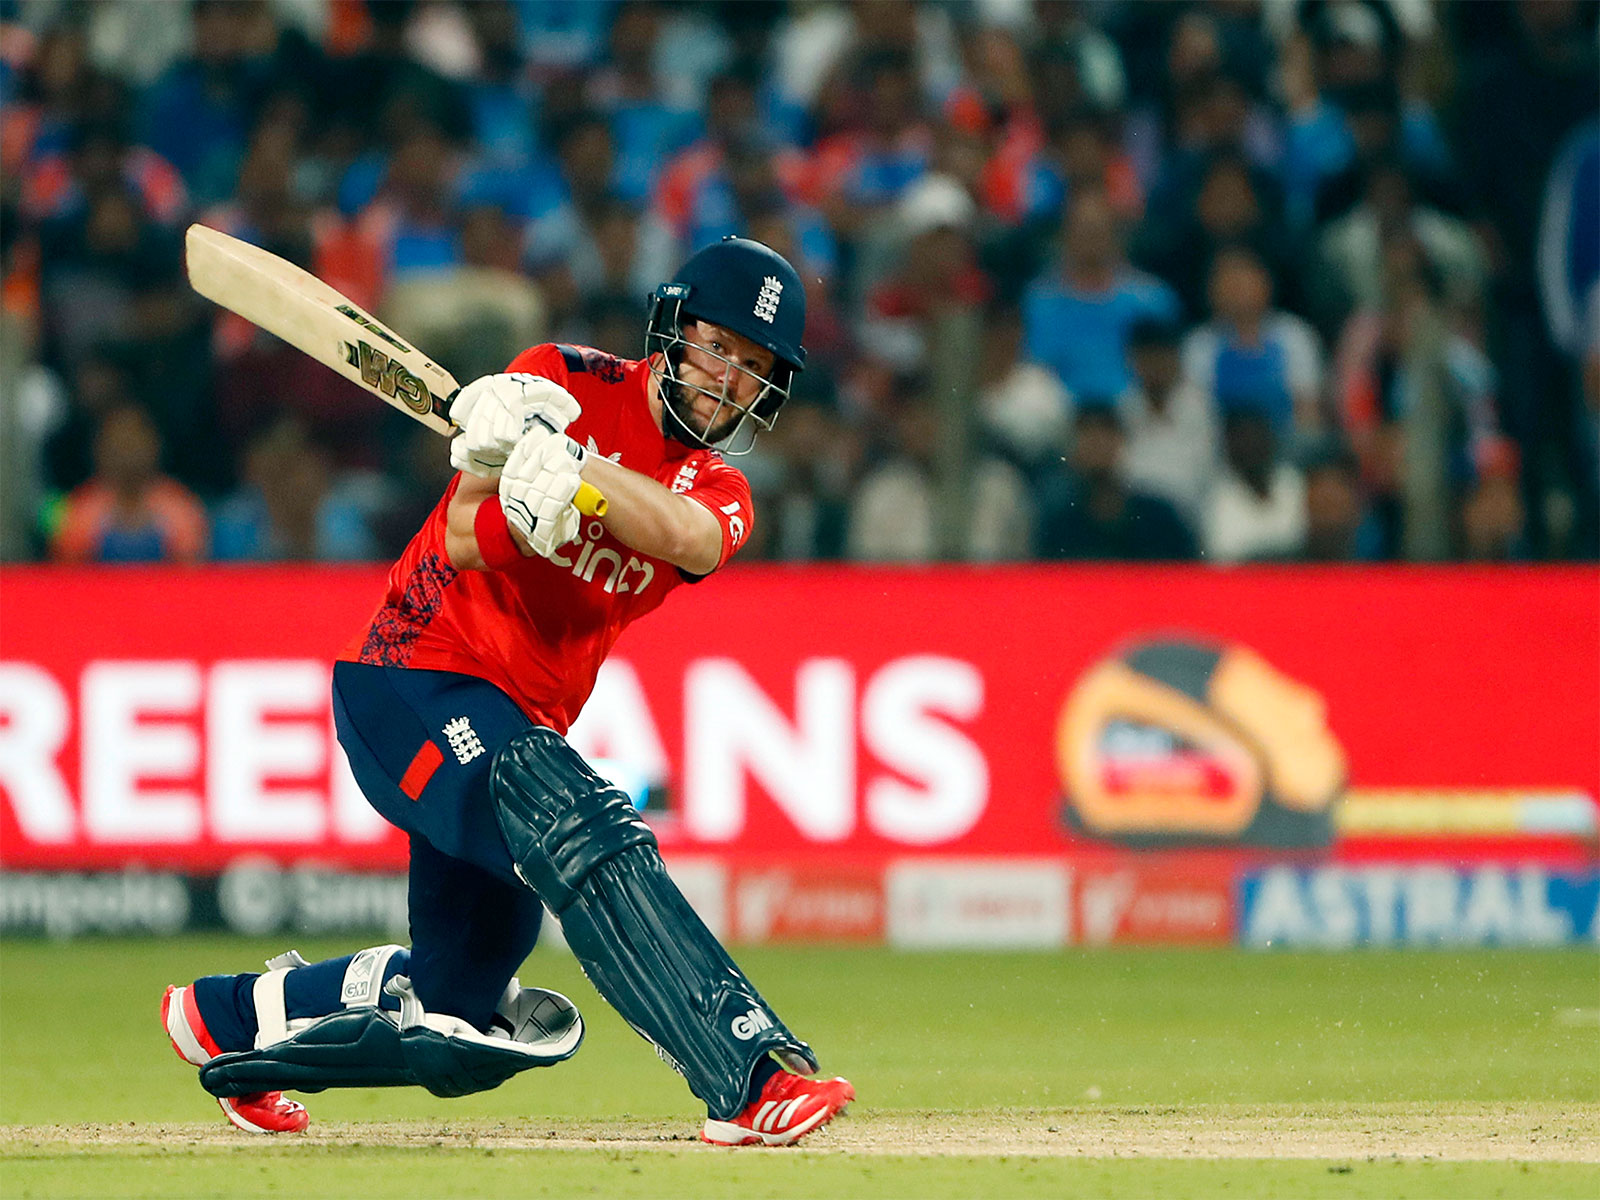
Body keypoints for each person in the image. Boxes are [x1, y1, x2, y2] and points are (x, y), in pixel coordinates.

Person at [159, 237, 854, 1146]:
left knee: (462, 1016)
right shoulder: (556, 382)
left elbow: (684, 534)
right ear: (674, 329)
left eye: (755, 369)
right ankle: (749, 1079)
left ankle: (226, 1018)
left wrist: (576, 478)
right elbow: (460, 534)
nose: (730, 380)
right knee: (579, 815)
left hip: (508, 728)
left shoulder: (721, 490)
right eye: (720, 348)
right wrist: (523, 475)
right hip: (411, 677)